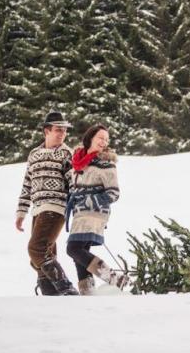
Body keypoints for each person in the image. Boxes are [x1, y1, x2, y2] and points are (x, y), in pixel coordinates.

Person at [16, 111, 78, 296]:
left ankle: (66, 288)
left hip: (56, 207)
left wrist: (77, 209)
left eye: (65, 131)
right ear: (46, 131)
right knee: (41, 256)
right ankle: (51, 296)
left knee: (37, 249)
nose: (62, 134)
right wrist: (21, 212)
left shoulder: (66, 153)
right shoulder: (34, 154)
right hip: (37, 209)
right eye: (58, 130)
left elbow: (74, 182)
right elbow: (27, 183)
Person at [65, 124, 126, 295]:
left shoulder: (107, 164)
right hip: (79, 212)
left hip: (94, 212)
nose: (104, 141)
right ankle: (88, 293)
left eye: (106, 139)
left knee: (73, 249)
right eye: (101, 137)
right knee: (80, 252)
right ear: (90, 137)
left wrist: (90, 200)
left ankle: (113, 278)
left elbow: (114, 193)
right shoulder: (77, 162)